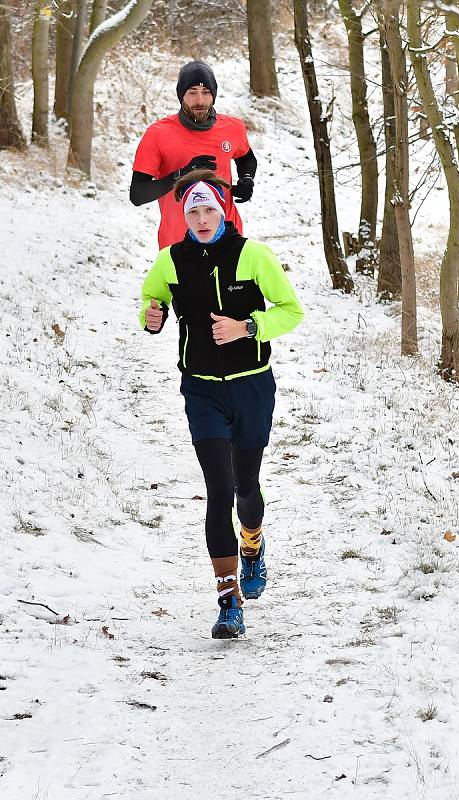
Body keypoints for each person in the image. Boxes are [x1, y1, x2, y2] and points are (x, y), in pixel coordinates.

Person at [139, 170, 304, 639]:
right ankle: (228, 602)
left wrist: (247, 327)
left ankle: (253, 545)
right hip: (202, 388)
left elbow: (291, 310)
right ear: (183, 216)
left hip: (252, 385)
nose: (203, 218)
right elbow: (152, 301)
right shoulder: (171, 261)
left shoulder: (254, 256)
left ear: (224, 211)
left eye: (210, 208)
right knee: (220, 489)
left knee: (247, 488)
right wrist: (151, 317)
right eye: (193, 211)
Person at [130, 60, 257, 249]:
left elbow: (246, 158)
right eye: (192, 93)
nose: (200, 101)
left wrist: (247, 179)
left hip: (228, 240)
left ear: (213, 95)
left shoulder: (233, 128)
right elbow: (137, 195)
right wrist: (183, 175)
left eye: (206, 93)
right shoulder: (158, 134)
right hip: (179, 244)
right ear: (181, 96)